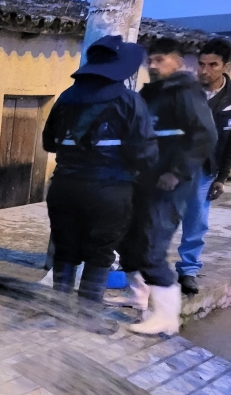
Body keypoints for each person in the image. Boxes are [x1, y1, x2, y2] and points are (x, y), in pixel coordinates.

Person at [42, 36, 158, 328]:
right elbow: (146, 152)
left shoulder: (67, 97)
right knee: (100, 253)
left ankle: (59, 314)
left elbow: (48, 144)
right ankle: (88, 317)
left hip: (64, 187)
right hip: (110, 192)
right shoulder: (130, 100)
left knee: (65, 249)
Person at [111, 38, 217, 335]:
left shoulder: (185, 92)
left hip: (170, 183)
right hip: (144, 178)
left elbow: (205, 136)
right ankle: (138, 296)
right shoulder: (153, 93)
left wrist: (176, 171)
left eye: (160, 60)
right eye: (151, 60)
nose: (153, 66)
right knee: (128, 240)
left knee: (151, 245)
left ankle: (167, 317)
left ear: (178, 61)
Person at [175, 38, 231, 295]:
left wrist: (222, 177)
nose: (205, 71)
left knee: (196, 221)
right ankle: (149, 270)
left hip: (206, 170)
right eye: (202, 64)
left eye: (213, 65)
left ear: (225, 66)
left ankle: (188, 270)